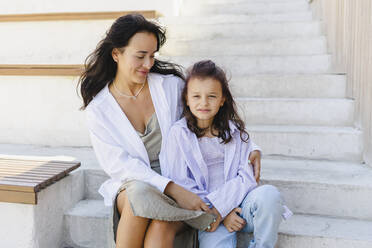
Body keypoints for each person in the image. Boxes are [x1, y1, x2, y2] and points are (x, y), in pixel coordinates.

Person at [79, 14, 262, 248]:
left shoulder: (170, 87)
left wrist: (252, 147)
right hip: (135, 184)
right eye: (140, 56)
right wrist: (170, 188)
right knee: (140, 196)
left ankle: (199, 214)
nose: (148, 64)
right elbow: (119, 165)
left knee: (161, 226)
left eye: (152, 56)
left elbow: (209, 118)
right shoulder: (99, 110)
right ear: (116, 54)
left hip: (183, 178)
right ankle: (195, 211)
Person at [161, 60, 292, 248]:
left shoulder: (235, 132)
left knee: (269, 195)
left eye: (212, 96)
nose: (204, 103)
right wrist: (220, 213)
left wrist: (224, 208)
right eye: (196, 96)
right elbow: (182, 183)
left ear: (222, 99)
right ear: (187, 99)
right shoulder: (178, 134)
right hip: (207, 215)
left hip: (242, 206)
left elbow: (247, 176)